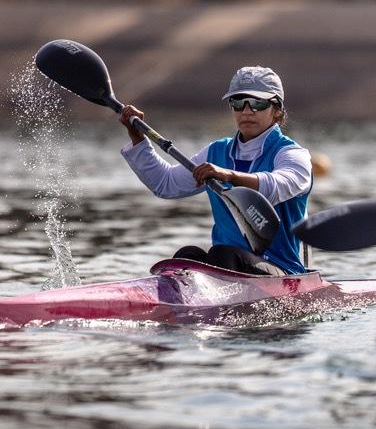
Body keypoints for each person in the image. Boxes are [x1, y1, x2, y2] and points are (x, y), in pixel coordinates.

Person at [119, 66, 312, 276]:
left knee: (224, 254)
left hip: (282, 271)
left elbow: (276, 186)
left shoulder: (292, 155)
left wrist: (229, 175)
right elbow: (165, 184)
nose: (247, 111)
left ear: (277, 110)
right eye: (238, 103)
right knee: (187, 256)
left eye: (258, 103)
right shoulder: (216, 151)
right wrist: (138, 138)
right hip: (227, 267)